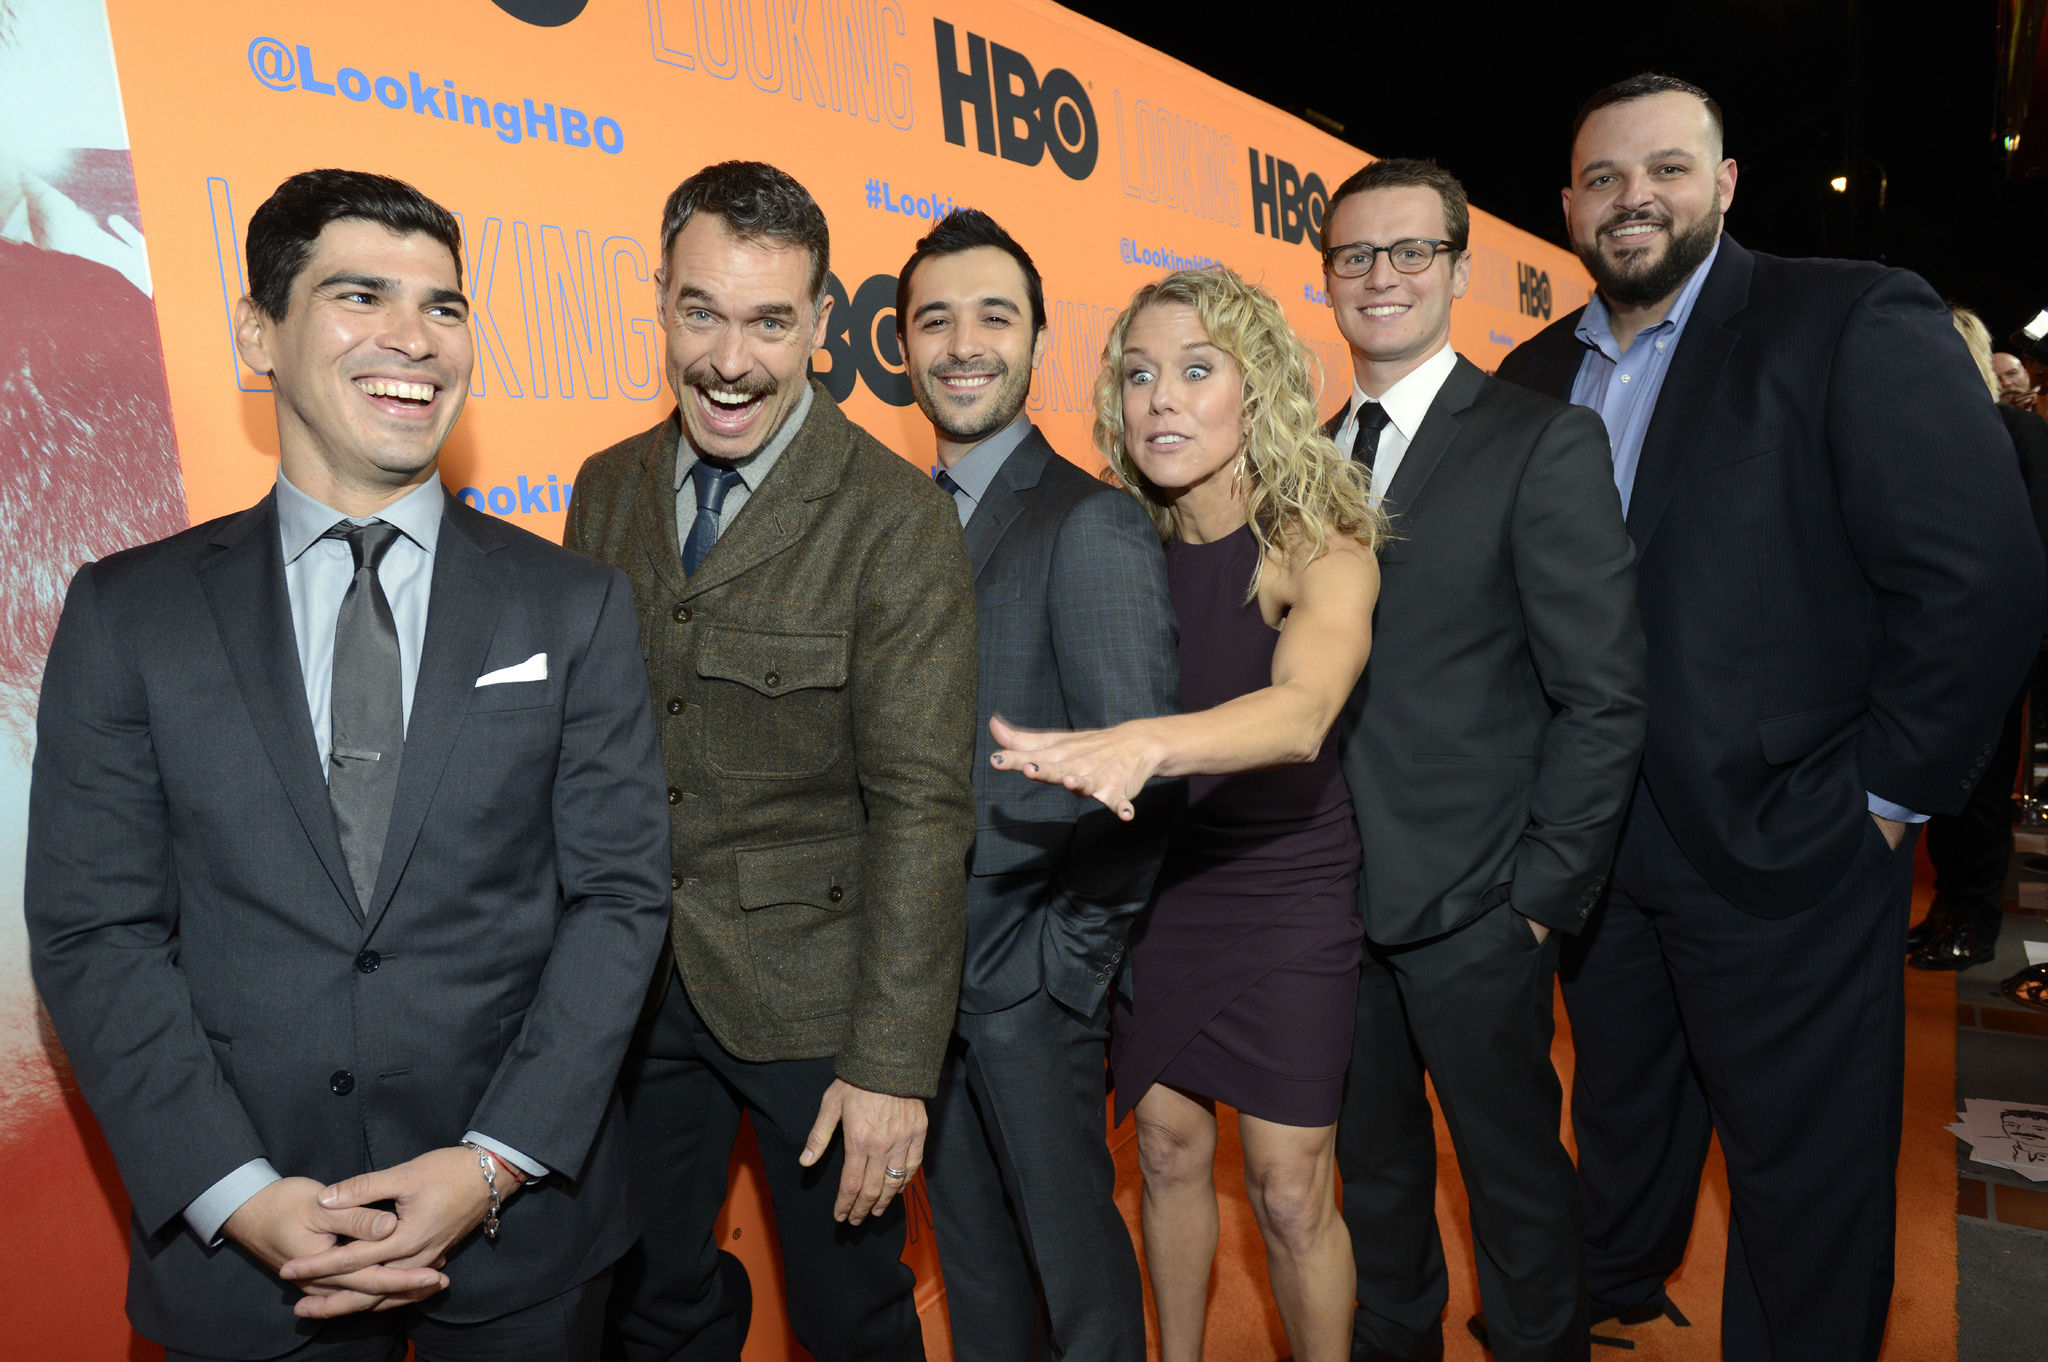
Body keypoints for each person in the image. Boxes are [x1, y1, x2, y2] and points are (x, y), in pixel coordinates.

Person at [25, 168, 674, 1360]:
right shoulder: (130, 614)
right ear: (256, 332)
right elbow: (92, 926)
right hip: (245, 1252)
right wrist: (236, 1194)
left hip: (523, 1248)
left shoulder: (573, 604)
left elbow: (620, 897)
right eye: (360, 295)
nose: (413, 341)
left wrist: (492, 1167)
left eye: (444, 305)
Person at [1496, 74, 2044, 1359]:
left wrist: (1878, 798)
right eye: (1602, 178)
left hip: (1790, 836)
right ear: (1567, 206)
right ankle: (1616, 1275)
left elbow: (1980, 575)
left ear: (1724, 184)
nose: (1633, 198)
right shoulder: (1526, 375)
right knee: (1623, 1106)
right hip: (1594, 845)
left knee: (1802, 1167)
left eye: (1665, 170)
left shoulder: (1844, 317)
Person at [564, 161, 977, 1362]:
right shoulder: (603, 488)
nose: (728, 360)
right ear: (659, 299)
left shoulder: (894, 520)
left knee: (848, 1312)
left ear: (820, 324)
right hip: (636, 991)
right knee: (647, 1300)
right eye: (701, 312)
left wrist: (892, 1066)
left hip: (818, 1000)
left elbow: (920, 805)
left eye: (767, 321)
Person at [990, 265, 1383, 1362]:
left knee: (1290, 1186)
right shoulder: (1114, 542)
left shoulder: (1316, 548)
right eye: (1138, 374)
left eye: (1195, 370)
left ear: (1252, 393)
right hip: (1157, 892)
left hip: (1283, 893)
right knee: (1162, 1150)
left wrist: (1146, 741)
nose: (1160, 398)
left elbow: (1303, 713)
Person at [1315, 159, 1646, 1362]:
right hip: (1324, 906)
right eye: (1355, 255)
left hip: (1477, 910)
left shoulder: (1536, 442)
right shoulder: (1303, 457)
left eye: (1409, 251)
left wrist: (1539, 901)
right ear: (1327, 280)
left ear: (1456, 268)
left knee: (1511, 1182)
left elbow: (1602, 694)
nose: (1381, 276)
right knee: (1373, 1179)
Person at [898, 209, 1179, 1362]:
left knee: (1078, 1288)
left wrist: (1058, 974)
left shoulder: (1090, 521)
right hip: (915, 996)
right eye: (934, 318)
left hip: (1025, 991)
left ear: (1036, 340)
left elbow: (1139, 779)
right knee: (976, 1281)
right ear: (899, 345)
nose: (963, 342)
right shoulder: (897, 524)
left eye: (993, 316)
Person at [1908, 307, 2048, 969]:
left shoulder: (2018, 432)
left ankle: (1975, 918)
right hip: (1934, 640)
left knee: (1984, 786)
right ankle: (1949, 907)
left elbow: (2035, 544)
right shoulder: (1926, 436)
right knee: (1946, 784)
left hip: (1996, 640)